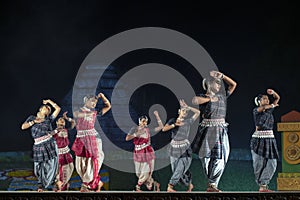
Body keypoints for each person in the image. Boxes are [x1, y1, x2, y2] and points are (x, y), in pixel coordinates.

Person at [192, 70, 237, 192]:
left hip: (221, 130)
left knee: (221, 157)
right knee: (206, 157)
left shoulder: (222, 96)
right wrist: (210, 99)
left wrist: (223, 76)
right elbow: (194, 100)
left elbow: (233, 85)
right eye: (217, 83)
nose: (219, 85)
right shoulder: (203, 96)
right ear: (209, 84)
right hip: (207, 130)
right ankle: (211, 183)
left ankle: (213, 184)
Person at [71, 93, 111, 192]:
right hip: (80, 138)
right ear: (86, 101)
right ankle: (97, 182)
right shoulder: (80, 110)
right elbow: (76, 115)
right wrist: (89, 113)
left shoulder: (95, 112)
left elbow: (108, 106)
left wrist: (103, 97)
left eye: (96, 102)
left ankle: (85, 185)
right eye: (92, 101)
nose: (94, 104)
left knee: (92, 161)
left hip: (93, 137)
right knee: (80, 166)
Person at [21, 99, 61, 192]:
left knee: (51, 164)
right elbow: (23, 127)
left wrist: (49, 101)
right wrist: (34, 122)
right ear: (40, 109)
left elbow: (58, 109)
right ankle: (40, 184)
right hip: (38, 145)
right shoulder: (32, 118)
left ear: (48, 113)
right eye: (45, 107)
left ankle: (53, 183)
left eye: (48, 108)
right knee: (38, 166)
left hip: (48, 143)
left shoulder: (48, 119)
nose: (46, 107)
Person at [162, 99, 200, 192]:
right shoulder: (173, 120)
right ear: (179, 111)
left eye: (186, 112)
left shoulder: (188, 121)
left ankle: (170, 186)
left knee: (181, 167)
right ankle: (189, 184)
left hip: (185, 149)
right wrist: (174, 125)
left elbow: (198, 112)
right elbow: (164, 129)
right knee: (177, 170)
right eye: (183, 111)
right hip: (174, 148)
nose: (185, 113)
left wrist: (189, 107)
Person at [125, 111, 163, 192]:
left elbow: (161, 127)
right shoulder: (134, 129)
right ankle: (153, 183)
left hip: (147, 152)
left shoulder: (148, 130)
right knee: (138, 173)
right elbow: (127, 138)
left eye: (146, 121)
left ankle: (137, 187)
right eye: (143, 121)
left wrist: (157, 116)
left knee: (146, 171)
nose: (144, 123)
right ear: (139, 122)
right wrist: (137, 134)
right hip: (138, 153)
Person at [251, 89, 280, 192]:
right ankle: (262, 186)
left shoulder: (269, 110)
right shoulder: (256, 111)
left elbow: (277, 98)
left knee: (272, 163)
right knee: (259, 163)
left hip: (270, 140)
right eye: (264, 99)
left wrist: (273, 93)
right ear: (259, 101)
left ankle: (264, 183)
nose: (267, 100)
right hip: (258, 140)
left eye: (267, 99)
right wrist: (271, 105)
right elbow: (263, 108)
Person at [51, 111, 76, 191]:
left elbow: (73, 123)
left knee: (69, 169)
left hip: (66, 153)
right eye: (60, 119)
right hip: (58, 154)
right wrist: (56, 130)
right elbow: (48, 135)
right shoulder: (54, 131)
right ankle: (58, 187)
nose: (62, 120)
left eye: (63, 120)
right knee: (58, 173)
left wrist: (67, 118)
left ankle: (64, 187)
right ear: (56, 122)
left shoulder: (66, 130)